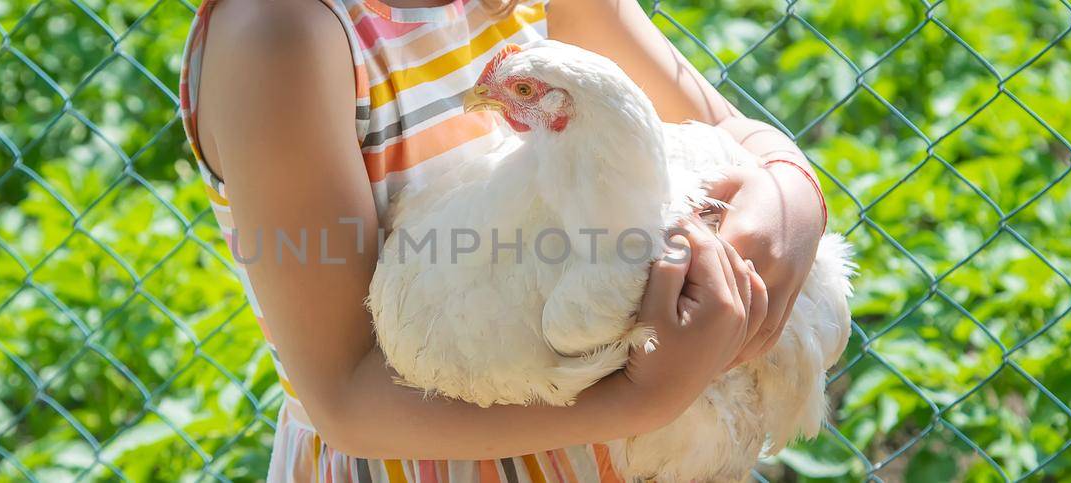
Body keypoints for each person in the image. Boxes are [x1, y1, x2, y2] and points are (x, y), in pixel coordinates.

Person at [180, 0, 829, 479]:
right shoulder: (278, 36)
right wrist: (641, 399)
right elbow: (347, 397)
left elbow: (734, 135)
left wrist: (791, 195)